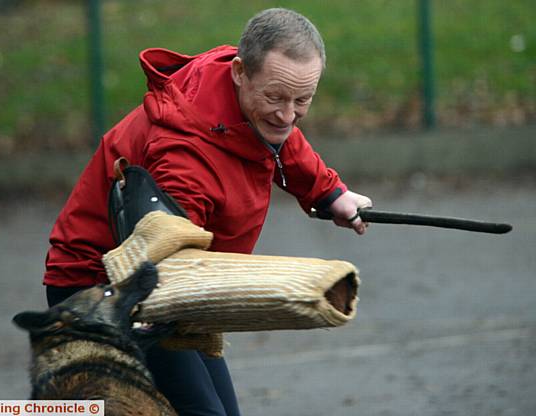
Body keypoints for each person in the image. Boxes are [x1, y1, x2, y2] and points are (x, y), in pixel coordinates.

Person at [43, 7, 372, 416]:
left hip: (160, 285)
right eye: (276, 97)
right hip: (104, 289)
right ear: (239, 71)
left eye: (302, 99)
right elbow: (168, 267)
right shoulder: (185, 155)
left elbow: (279, 138)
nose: (288, 114)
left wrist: (329, 193)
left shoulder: (249, 102)